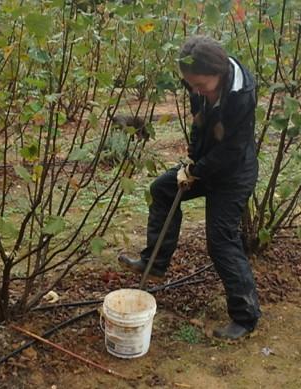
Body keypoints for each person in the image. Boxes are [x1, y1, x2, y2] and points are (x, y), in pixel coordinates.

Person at [118, 35, 261, 340]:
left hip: (233, 174)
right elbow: (199, 123)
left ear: (219, 74)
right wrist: (192, 161)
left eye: (201, 86)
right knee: (162, 189)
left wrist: (196, 170)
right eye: (190, 84)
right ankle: (155, 262)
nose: (195, 90)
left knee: (221, 241)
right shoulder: (197, 80)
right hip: (206, 163)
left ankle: (245, 317)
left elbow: (231, 150)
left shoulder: (242, 94)